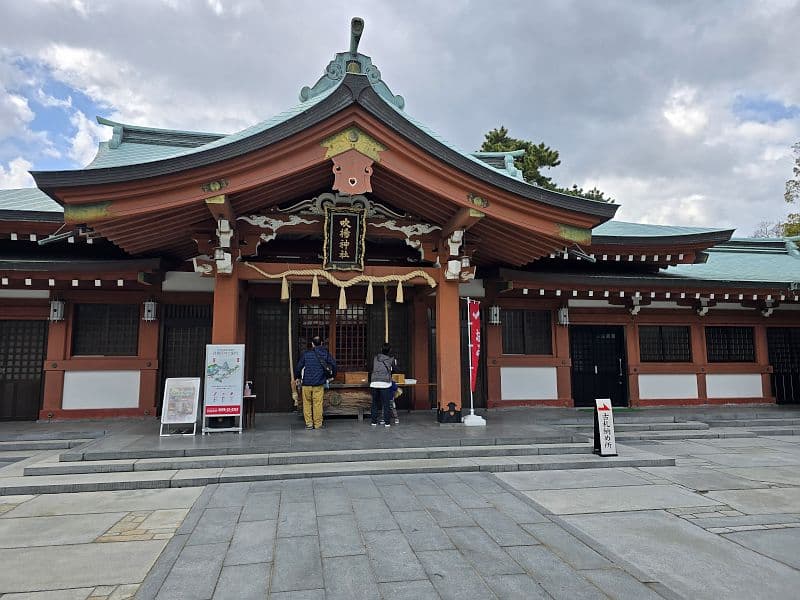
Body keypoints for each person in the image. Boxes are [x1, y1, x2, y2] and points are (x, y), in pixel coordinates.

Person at [294, 336, 337, 430]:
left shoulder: (306, 354)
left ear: (312, 344)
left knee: (307, 404)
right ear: (321, 343)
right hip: (318, 383)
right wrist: (333, 375)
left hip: (306, 384)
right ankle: (318, 424)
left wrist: (297, 377)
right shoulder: (325, 354)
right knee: (317, 404)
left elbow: (298, 367)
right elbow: (333, 364)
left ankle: (309, 424)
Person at [370, 343, 397, 428]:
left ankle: (373, 422)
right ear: (390, 351)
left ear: (381, 349)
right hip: (385, 383)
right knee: (386, 404)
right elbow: (394, 370)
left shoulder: (375, 358)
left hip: (374, 382)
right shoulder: (391, 360)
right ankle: (387, 423)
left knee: (374, 403)